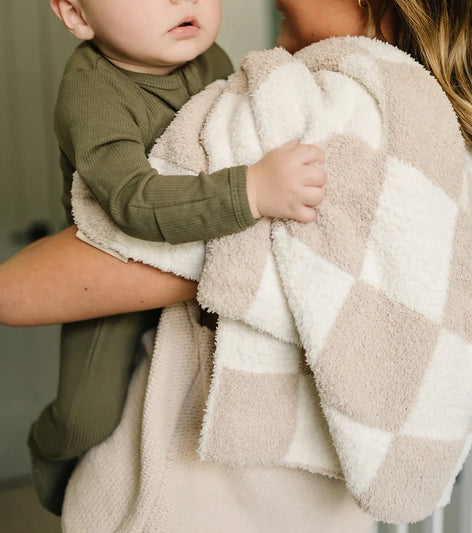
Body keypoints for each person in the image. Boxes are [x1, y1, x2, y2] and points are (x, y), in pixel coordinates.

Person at [1, 0, 472, 530]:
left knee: (81, 413)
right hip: (317, 511)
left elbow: (18, 290)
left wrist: (249, 199)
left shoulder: (310, 111)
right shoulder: (420, 118)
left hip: (200, 503)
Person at [28, 0, 327, 517]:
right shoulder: (91, 93)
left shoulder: (209, 59)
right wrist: (251, 191)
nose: (183, 1)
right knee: (86, 417)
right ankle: (48, 461)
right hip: (114, 266)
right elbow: (133, 203)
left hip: (197, 258)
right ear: (76, 15)